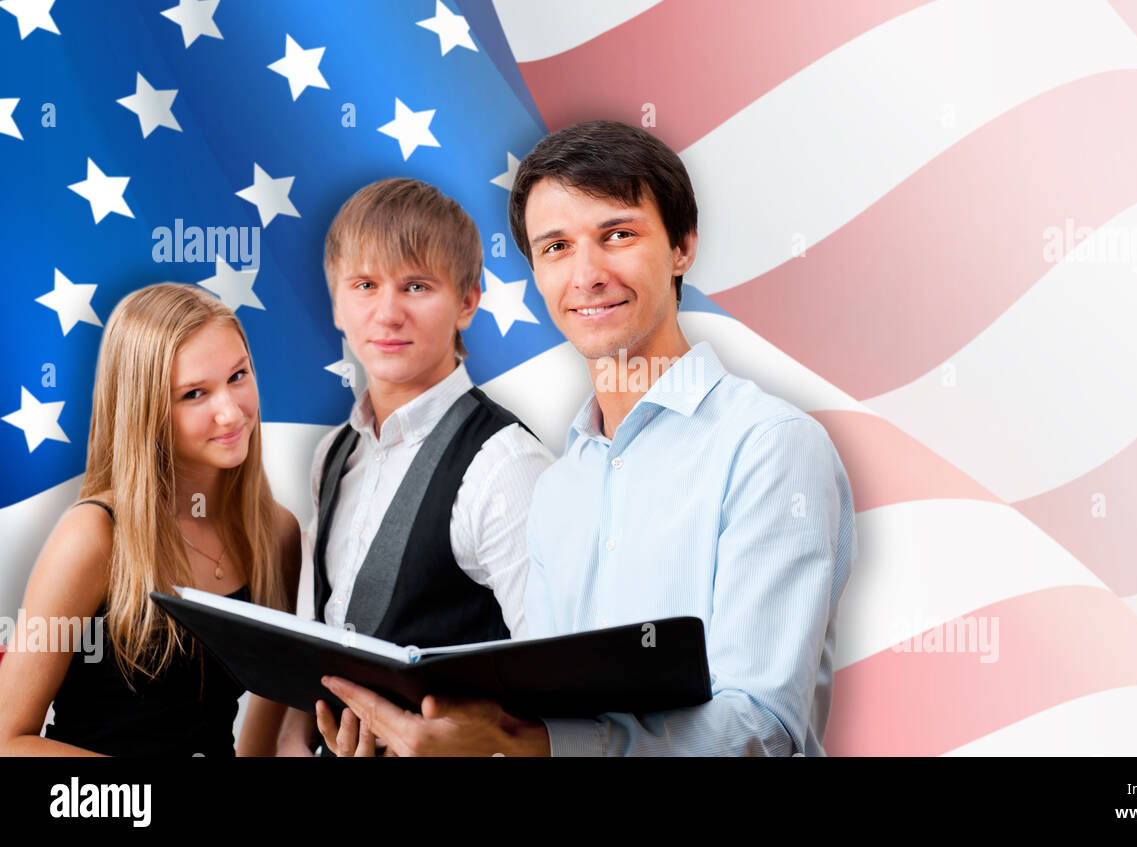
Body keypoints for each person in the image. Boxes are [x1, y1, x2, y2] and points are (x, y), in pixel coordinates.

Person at [317, 120, 857, 756]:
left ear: (682, 246)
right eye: (556, 248)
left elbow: (758, 728)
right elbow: (539, 709)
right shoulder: (562, 484)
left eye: (618, 235)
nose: (587, 274)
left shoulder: (769, 446)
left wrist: (518, 744)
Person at [278, 178, 552, 756]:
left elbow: (552, 694)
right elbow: (319, 634)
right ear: (336, 304)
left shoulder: (506, 463)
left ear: (468, 302)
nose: (387, 312)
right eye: (365, 284)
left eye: (417, 286)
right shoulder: (332, 453)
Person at [0, 283, 300, 756]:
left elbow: (271, 692)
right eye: (195, 393)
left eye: (239, 375)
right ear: (147, 413)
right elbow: (8, 740)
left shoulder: (278, 533)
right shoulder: (95, 535)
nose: (231, 411)